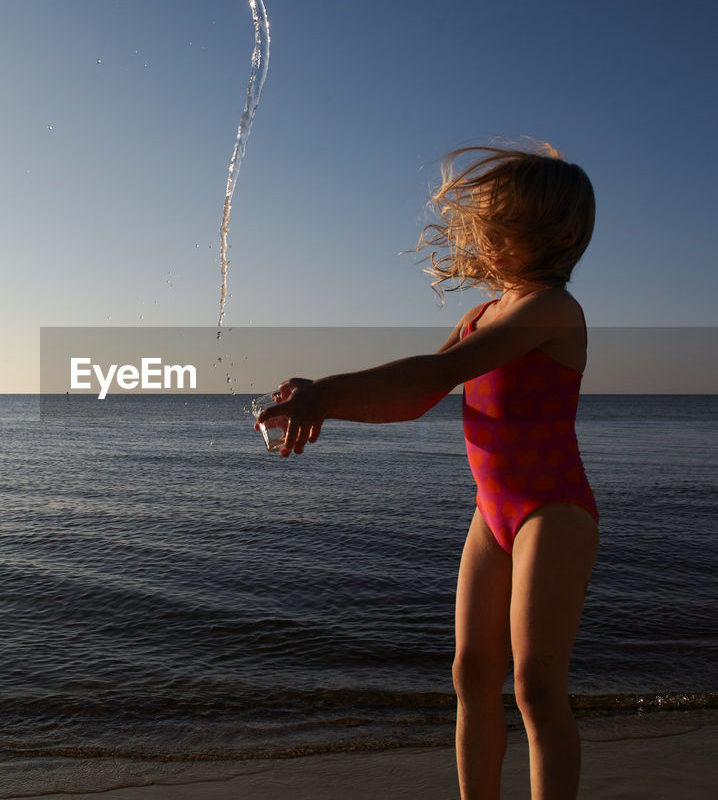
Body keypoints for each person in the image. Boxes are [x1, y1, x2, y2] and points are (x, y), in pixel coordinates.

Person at [256, 141, 599, 800]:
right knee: (471, 674)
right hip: (492, 515)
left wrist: (328, 389)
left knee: (535, 685)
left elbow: (440, 373)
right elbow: (416, 397)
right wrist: (327, 401)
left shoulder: (552, 309)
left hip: (552, 511)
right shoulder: (482, 316)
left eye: (499, 227)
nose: (484, 238)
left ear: (542, 234)